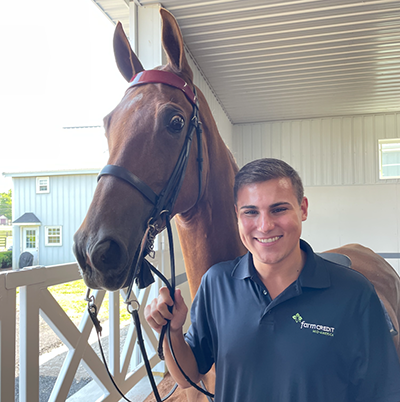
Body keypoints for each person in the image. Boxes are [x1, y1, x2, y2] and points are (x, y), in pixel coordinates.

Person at [145, 158, 400, 401]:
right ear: (237, 215)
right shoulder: (216, 283)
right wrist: (173, 332)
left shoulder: (353, 292)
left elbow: (382, 392)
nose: (265, 226)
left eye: (278, 209)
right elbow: (188, 375)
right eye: (251, 212)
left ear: (303, 209)